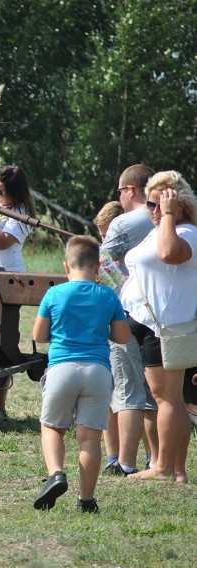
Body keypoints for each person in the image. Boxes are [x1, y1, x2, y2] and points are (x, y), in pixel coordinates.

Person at [32, 236, 130, 513]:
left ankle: (56, 474)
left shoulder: (54, 294)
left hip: (62, 368)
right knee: (89, 438)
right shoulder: (108, 296)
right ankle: (86, 500)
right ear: (97, 268)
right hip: (98, 372)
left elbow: (39, 335)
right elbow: (122, 337)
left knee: (52, 427)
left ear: (66, 264)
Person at [119, 170, 197, 483]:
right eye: (150, 205)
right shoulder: (160, 228)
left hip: (165, 326)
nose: (152, 210)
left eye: (158, 204)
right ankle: (176, 470)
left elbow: (168, 254)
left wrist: (167, 214)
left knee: (167, 398)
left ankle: (164, 467)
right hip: (147, 322)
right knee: (168, 398)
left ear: (180, 205)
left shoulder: (188, 232)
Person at [99, 165, 159, 476]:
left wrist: (117, 291)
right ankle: (156, 460)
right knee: (157, 394)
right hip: (164, 313)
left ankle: (124, 463)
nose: (119, 197)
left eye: (120, 191)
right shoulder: (169, 218)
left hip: (128, 312)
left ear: (131, 190)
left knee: (126, 390)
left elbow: (102, 266)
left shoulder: (123, 222)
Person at [0, 164, 34, 418]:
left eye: (1, 191)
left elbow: (2, 243)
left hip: (9, 278)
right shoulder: (0, 204)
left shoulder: (22, 213)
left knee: (4, 342)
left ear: (14, 192)